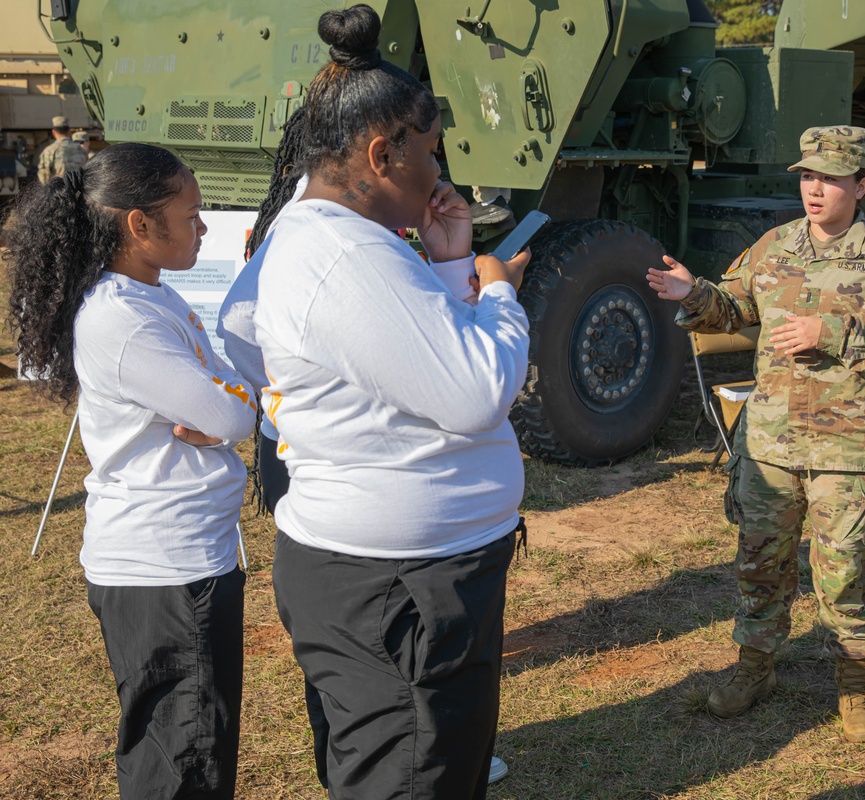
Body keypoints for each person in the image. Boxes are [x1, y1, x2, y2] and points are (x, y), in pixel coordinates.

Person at [252, 5, 530, 797]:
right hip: (398, 593)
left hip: (397, 582)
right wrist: (498, 293)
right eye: (431, 154)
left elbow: (406, 353)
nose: (439, 177)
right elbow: (475, 390)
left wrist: (447, 267)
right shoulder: (346, 257)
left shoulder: (334, 238)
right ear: (382, 153)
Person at [647, 126, 865, 743]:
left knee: (845, 569)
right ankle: (755, 670)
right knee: (760, 562)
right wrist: (693, 293)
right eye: (808, 176)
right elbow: (735, 308)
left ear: (861, 185)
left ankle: (853, 688)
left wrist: (827, 332)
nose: (815, 188)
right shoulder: (774, 245)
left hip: (847, 447)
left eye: (831, 178)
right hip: (770, 441)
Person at [4, 142, 257, 799]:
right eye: (193, 214)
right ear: (140, 225)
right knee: (181, 763)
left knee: (185, 746)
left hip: (183, 561)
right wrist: (231, 399)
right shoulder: (123, 320)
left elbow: (230, 396)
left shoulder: (151, 298)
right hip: (168, 572)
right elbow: (230, 415)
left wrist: (231, 397)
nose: (204, 227)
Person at [35, 115, 87, 183]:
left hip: (59, 191)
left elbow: (44, 177)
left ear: (53, 132)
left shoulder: (49, 151)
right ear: (69, 131)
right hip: (79, 191)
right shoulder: (81, 150)